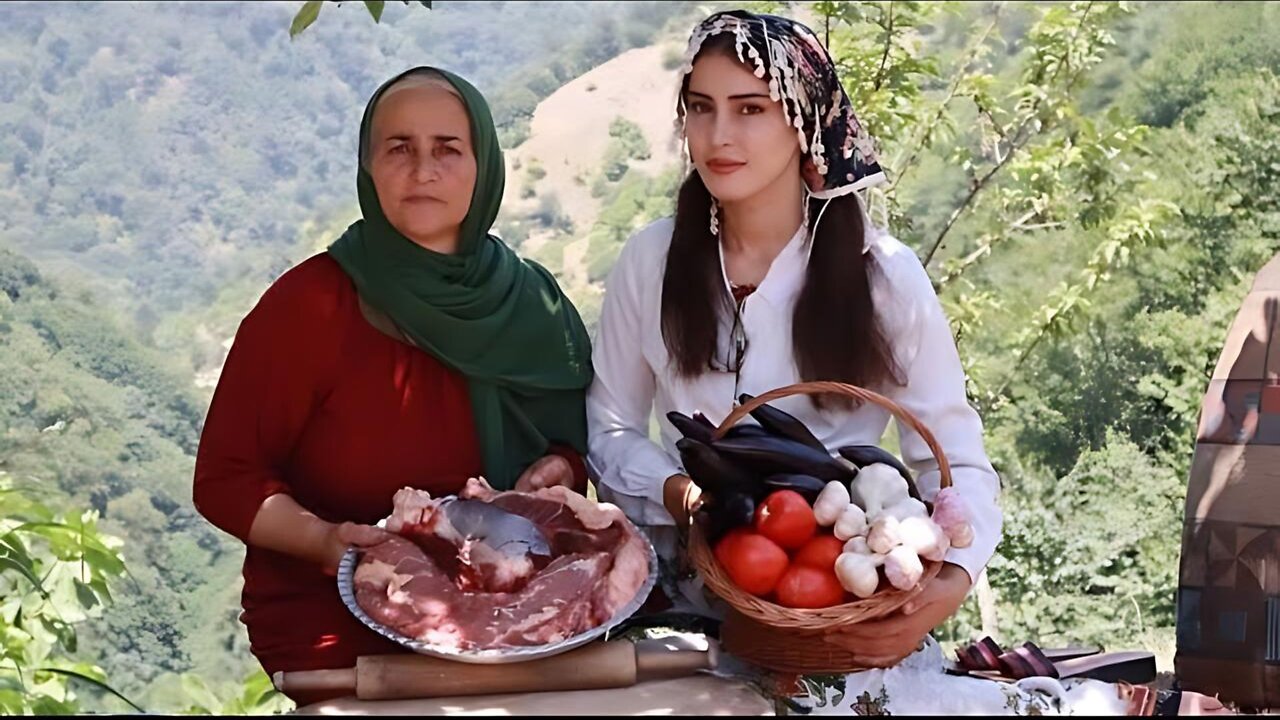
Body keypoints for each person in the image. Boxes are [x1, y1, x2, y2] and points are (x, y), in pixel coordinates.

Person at [586, 8, 1001, 671]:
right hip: (684, 610)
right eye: (701, 108)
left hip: (844, 598)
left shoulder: (883, 276)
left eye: (750, 109)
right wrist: (681, 494)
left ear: (804, 122)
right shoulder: (651, 261)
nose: (719, 134)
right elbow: (608, 430)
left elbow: (958, 462)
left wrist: (945, 586)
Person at [192, 66, 592, 706]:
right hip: (342, 629)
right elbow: (226, 478)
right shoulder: (309, 307)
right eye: (399, 148)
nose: (422, 168)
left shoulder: (534, 305)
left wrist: (560, 470)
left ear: (483, 164)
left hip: (521, 614)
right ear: (368, 166)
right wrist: (324, 543)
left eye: (447, 149)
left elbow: (575, 443)